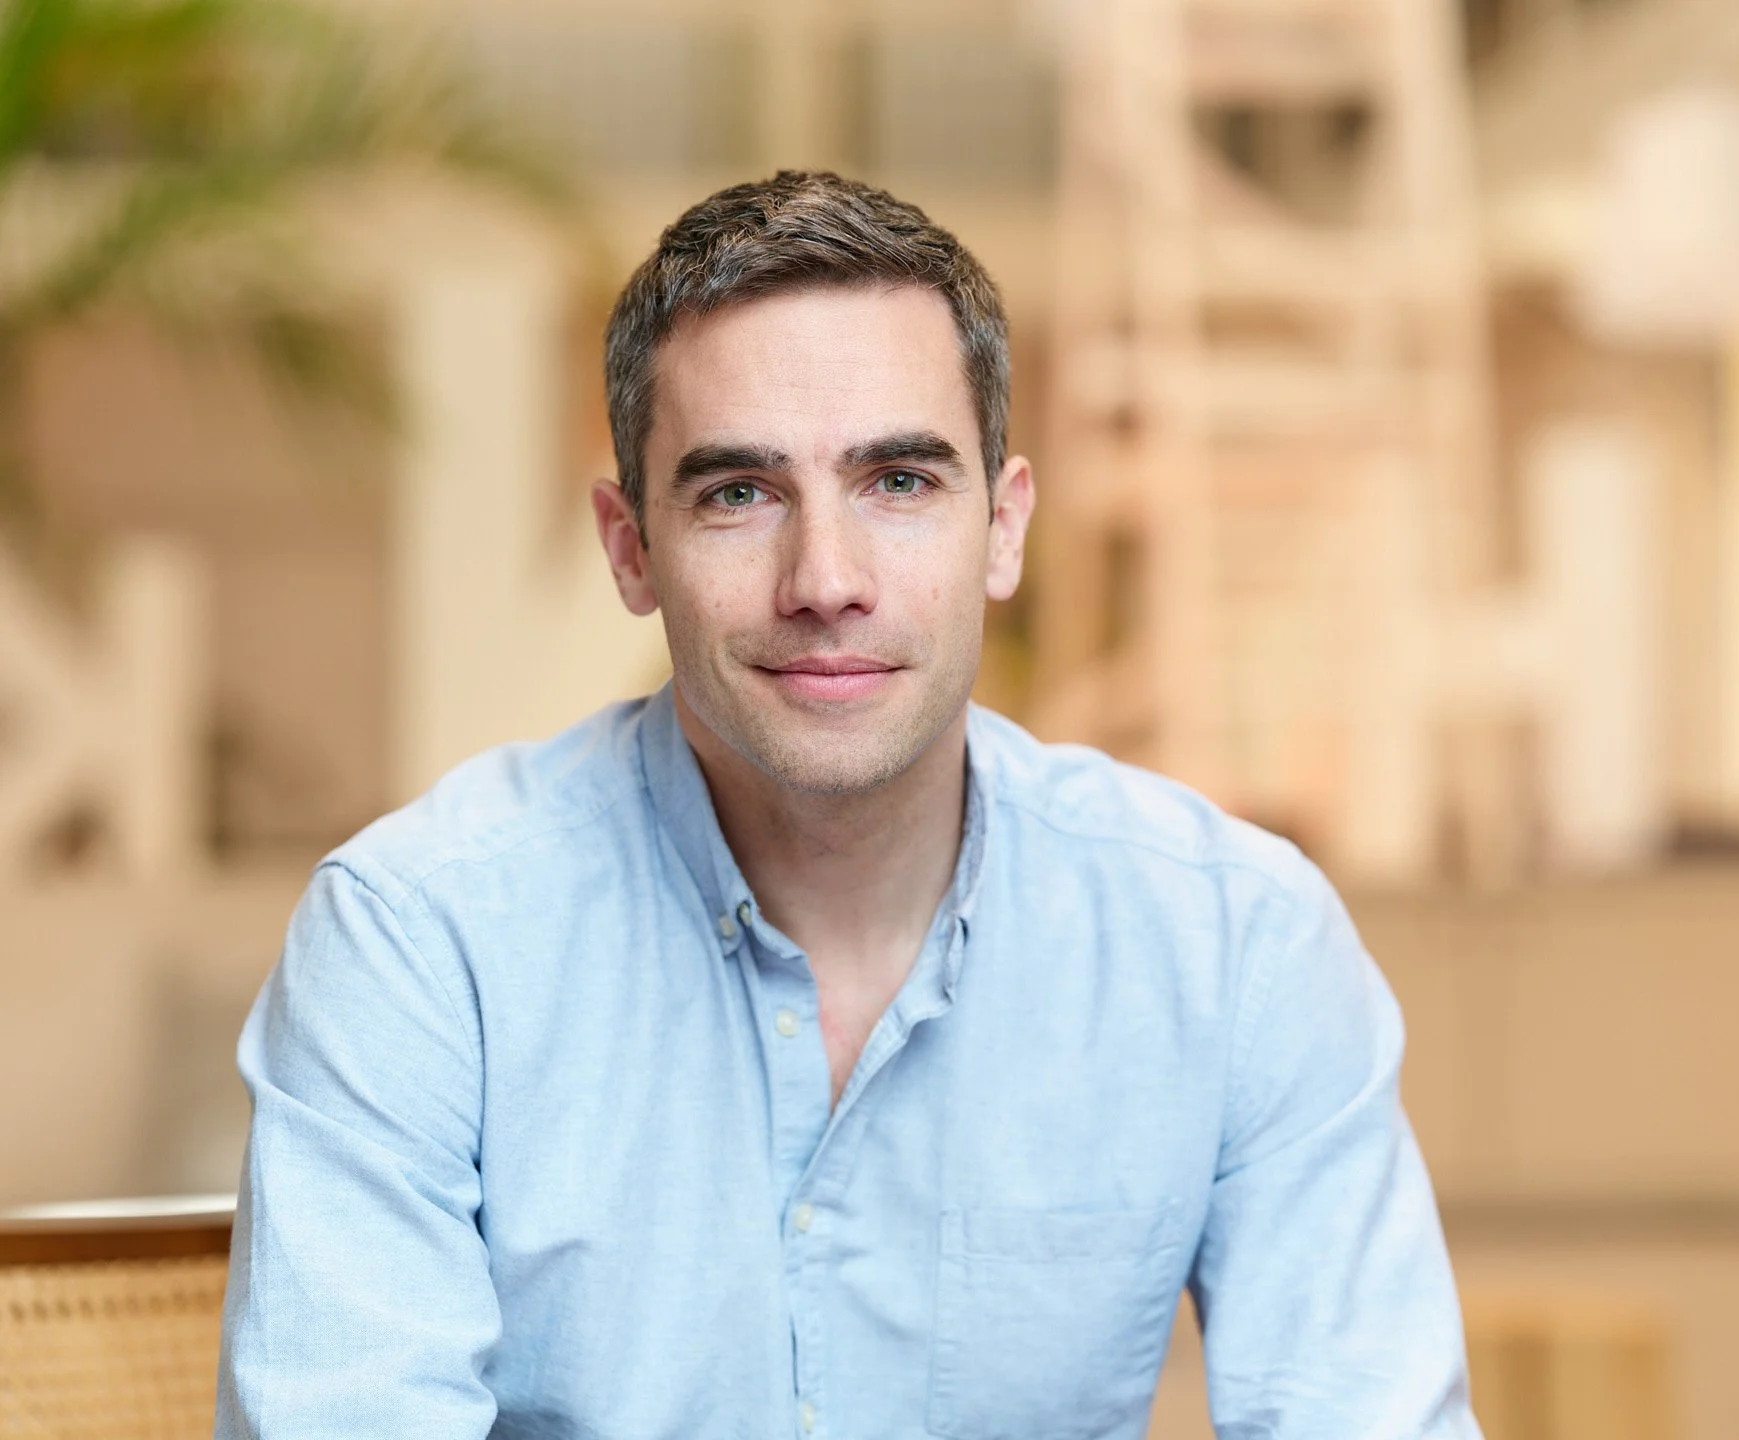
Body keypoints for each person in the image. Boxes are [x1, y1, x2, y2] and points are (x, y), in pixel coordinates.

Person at [216, 170, 1477, 1440]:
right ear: (629, 549)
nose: (825, 579)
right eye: (738, 494)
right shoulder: (421, 945)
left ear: (1005, 527)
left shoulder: (1234, 944)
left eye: (900, 482)